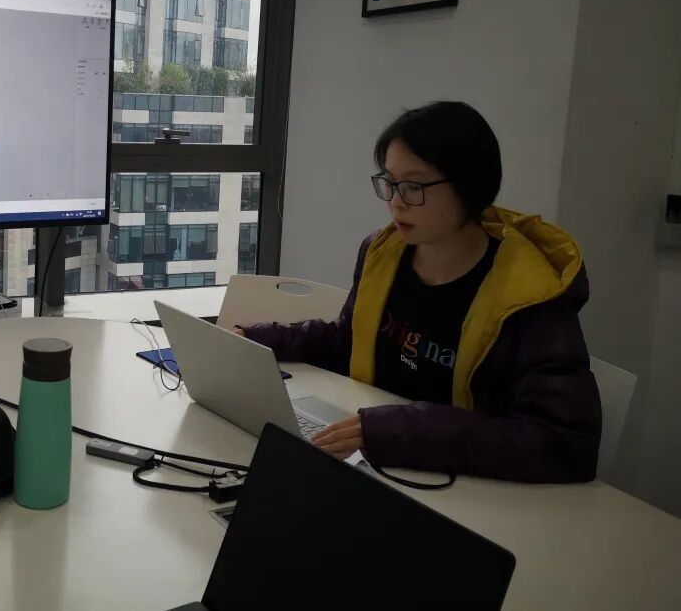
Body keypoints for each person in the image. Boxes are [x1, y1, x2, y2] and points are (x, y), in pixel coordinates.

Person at [237, 101, 601, 483]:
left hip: (473, 493)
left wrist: (395, 431)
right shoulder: (383, 252)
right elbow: (348, 341)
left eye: (414, 186)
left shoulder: (531, 294)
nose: (396, 201)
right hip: (385, 467)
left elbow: (565, 443)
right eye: (390, 183)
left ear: (469, 186)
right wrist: (255, 340)